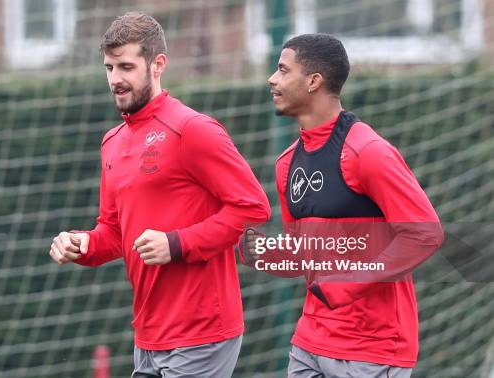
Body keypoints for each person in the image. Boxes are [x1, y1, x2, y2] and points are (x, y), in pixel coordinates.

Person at [48, 12, 271, 378]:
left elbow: (253, 208)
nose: (115, 80)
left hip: (202, 332)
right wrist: (81, 244)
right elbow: (114, 233)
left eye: (126, 67)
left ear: (158, 65)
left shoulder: (192, 130)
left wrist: (178, 243)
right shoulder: (112, 143)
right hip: (148, 335)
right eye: (109, 67)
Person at [263, 34, 444, 377]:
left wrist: (348, 282)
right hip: (308, 342)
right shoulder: (286, 164)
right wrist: (242, 245)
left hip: (371, 350)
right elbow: (304, 251)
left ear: (313, 81)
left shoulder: (368, 152)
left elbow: (424, 234)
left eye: (283, 70)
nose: (272, 79)